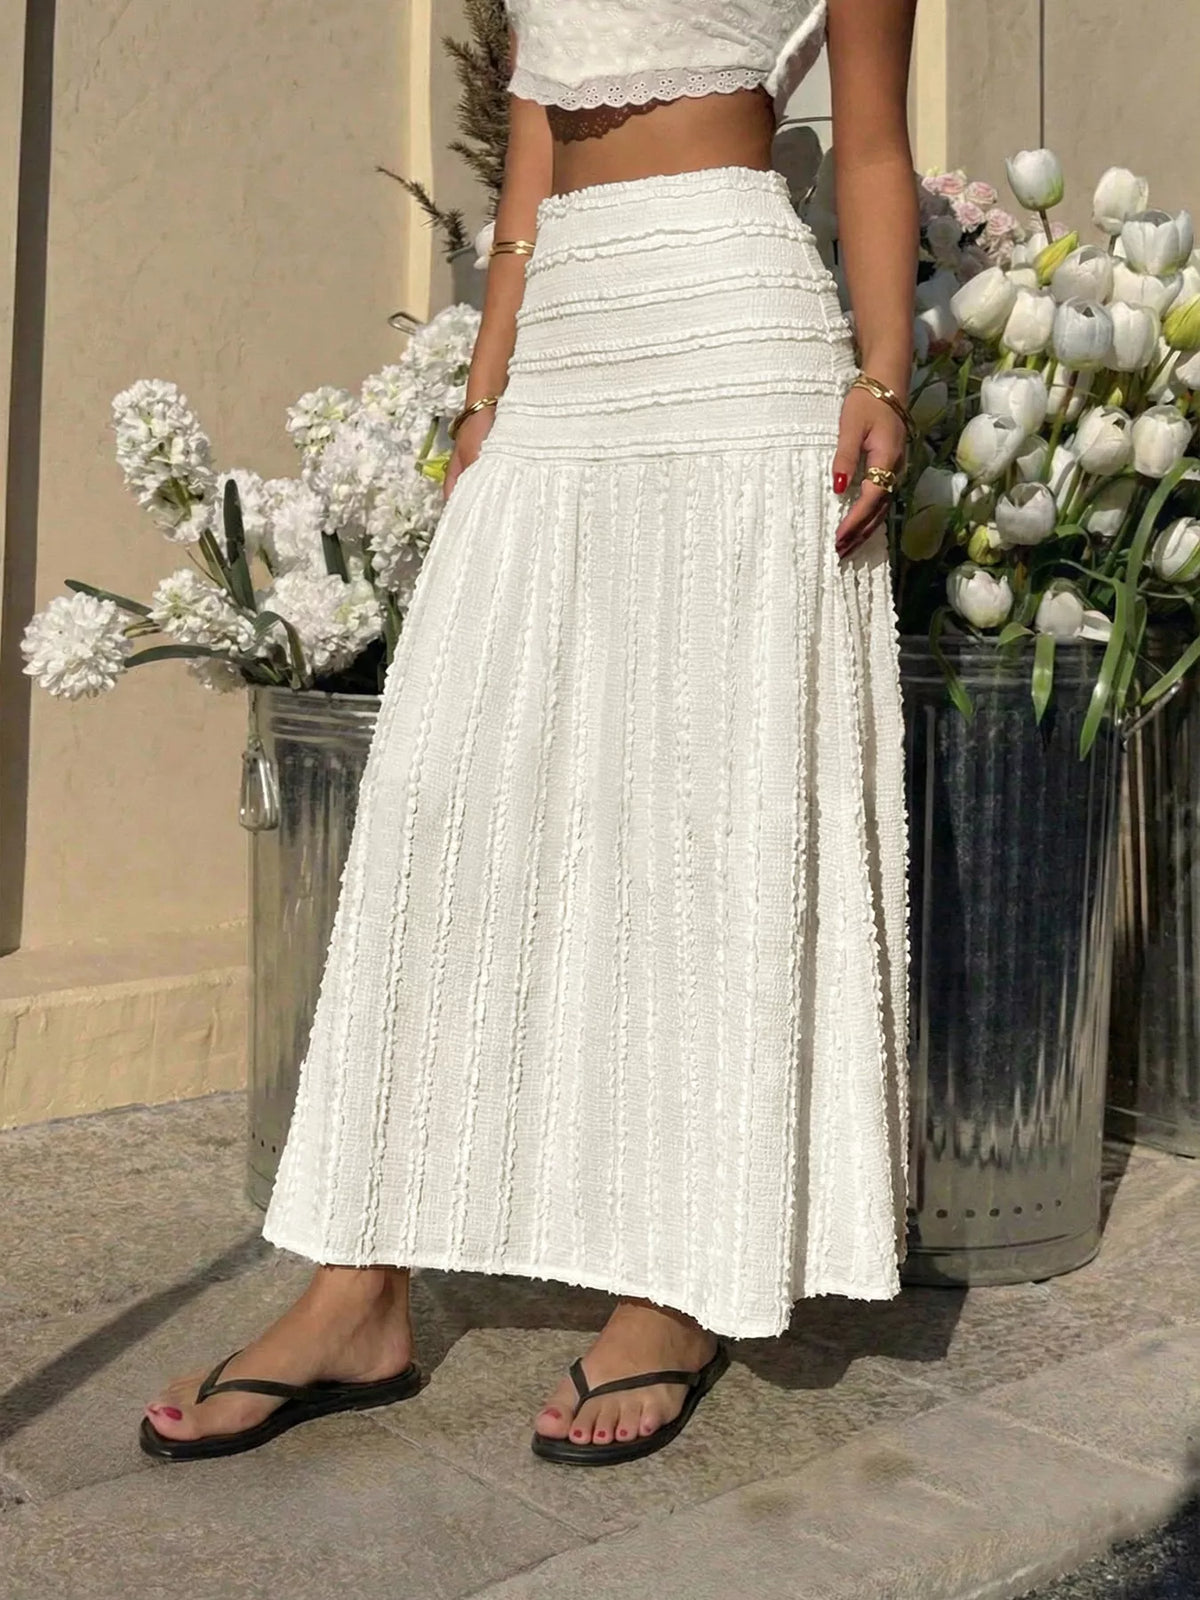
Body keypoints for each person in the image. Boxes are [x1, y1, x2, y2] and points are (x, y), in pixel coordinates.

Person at [140, 0, 918, 1469]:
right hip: (566, 351)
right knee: (448, 802)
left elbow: (871, 146)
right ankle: (356, 1286)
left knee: (702, 819)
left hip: (733, 336)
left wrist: (884, 376)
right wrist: (487, 392)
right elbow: (532, 169)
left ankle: (677, 1282)